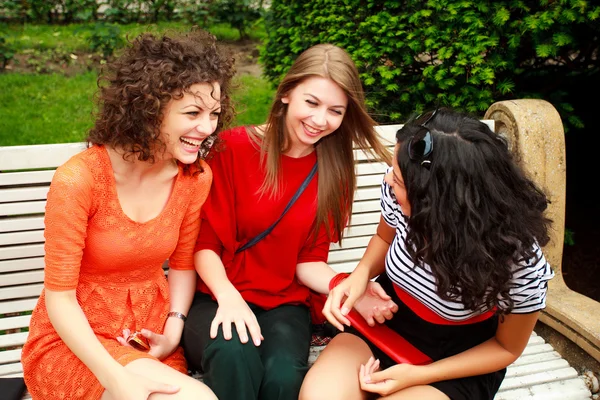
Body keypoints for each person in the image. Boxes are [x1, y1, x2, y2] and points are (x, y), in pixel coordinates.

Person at [21, 29, 235, 400]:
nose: (207, 128)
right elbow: (60, 298)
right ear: (149, 110)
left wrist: (172, 333)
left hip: (146, 339)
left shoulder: (194, 177)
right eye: (192, 113)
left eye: (214, 114)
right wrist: (116, 378)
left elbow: (183, 265)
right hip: (75, 342)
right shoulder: (80, 179)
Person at [181, 43, 395, 400]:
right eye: (311, 103)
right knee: (234, 353)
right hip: (215, 294)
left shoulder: (332, 171)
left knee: (282, 376)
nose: (319, 120)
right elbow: (202, 245)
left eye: (335, 111)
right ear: (286, 94)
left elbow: (308, 262)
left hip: (283, 303)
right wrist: (229, 298)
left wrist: (349, 290)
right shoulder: (231, 149)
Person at [299, 107, 555, 400]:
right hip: (386, 323)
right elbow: (384, 238)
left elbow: (507, 348)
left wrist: (418, 376)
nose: (387, 181)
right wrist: (360, 276)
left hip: (456, 361)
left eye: (397, 179)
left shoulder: (518, 259)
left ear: (436, 199)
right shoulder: (401, 189)